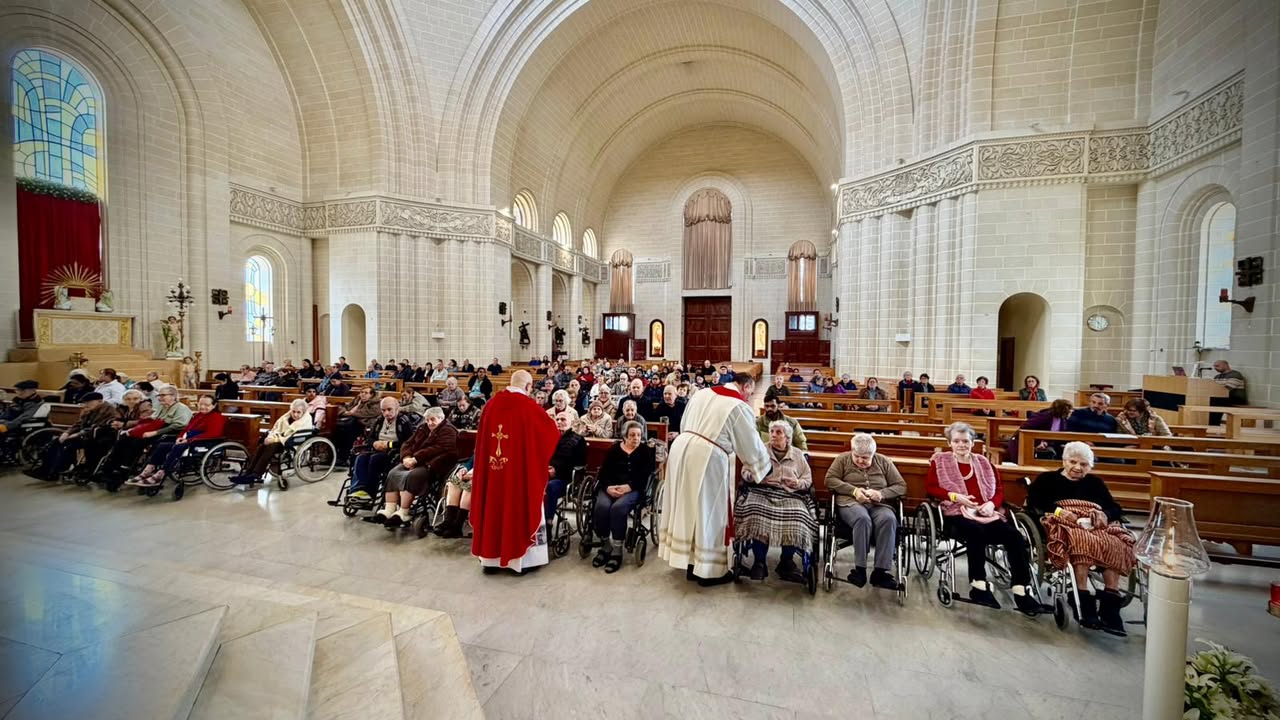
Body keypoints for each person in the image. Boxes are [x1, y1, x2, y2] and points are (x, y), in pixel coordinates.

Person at [659, 372, 771, 586]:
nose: (750, 396)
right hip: (707, 457)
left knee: (687, 507)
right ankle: (709, 571)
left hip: (682, 449)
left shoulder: (701, 393)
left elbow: (684, 423)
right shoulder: (737, 406)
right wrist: (763, 468)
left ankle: (692, 563)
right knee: (709, 512)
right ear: (745, 386)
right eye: (751, 391)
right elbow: (751, 445)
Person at [925, 422, 1040, 616]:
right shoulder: (941, 461)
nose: (961, 445)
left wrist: (991, 504)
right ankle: (978, 584)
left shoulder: (985, 463)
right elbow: (931, 488)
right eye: (956, 441)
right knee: (975, 532)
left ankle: (1021, 588)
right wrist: (955, 496)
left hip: (986, 512)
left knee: (1015, 536)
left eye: (966, 441)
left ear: (973, 442)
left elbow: (999, 491)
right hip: (957, 512)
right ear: (950, 443)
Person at [1027, 442, 1136, 636]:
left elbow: (1114, 507)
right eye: (1073, 462)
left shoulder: (1095, 483)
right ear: (1064, 461)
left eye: (1084, 464)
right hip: (1064, 521)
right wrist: (1060, 512)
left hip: (1095, 524)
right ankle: (1082, 598)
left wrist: (1105, 515)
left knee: (1116, 543)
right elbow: (1035, 503)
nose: (1078, 467)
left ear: (1090, 466)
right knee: (1080, 540)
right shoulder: (1047, 479)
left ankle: (1110, 605)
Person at [470, 370, 561, 573]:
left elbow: (482, 444)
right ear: (528, 387)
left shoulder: (491, 405)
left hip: (493, 473)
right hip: (519, 476)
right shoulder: (528, 407)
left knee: (492, 509)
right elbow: (551, 433)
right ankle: (520, 562)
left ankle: (489, 560)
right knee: (518, 510)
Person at [735, 420, 816, 583]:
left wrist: (798, 483)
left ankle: (786, 562)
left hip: (790, 494)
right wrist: (755, 477)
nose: (773, 435)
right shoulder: (760, 451)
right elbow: (745, 471)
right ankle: (759, 562)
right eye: (772, 431)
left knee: (798, 515)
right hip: (761, 491)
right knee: (755, 512)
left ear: (787, 437)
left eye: (778, 432)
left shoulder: (798, 455)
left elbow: (808, 479)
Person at [824, 433, 906, 589]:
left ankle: (880, 573)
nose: (861, 461)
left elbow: (901, 486)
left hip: (879, 505)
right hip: (850, 502)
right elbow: (830, 480)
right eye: (857, 457)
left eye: (865, 458)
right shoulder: (842, 459)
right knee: (862, 519)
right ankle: (860, 569)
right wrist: (854, 491)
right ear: (852, 451)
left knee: (889, 520)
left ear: (873, 455)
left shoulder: (884, 461)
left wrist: (881, 494)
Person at [588, 421, 657, 573]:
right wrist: (608, 487)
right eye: (632, 435)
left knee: (618, 509)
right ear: (624, 436)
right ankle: (606, 545)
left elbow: (646, 475)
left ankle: (617, 550)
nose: (636, 438)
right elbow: (604, 472)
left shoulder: (645, 451)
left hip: (633, 489)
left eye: (639, 435)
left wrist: (629, 487)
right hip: (610, 487)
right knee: (601, 507)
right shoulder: (614, 449)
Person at [372, 407, 459, 528]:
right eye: (427, 420)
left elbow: (439, 448)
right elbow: (408, 443)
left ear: (441, 418)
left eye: (432, 420)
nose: (429, 423)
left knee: (412, 476)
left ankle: (404, 511)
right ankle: (389, 509)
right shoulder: (422, 428)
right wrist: (406, 457)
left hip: (433, 464)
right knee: (393, 473)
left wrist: (416, 459)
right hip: (412, 461)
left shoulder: (448, 430)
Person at [127, 395, 225, 488]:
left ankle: (162, 473)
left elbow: (213, 434)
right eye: (200, 404)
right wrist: (180, 437)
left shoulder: (217, 417)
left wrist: (188, 440)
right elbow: (187, 429)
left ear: (214, 405)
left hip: (205, 442)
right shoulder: (198, 415)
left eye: (207, 405)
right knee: (163, 445)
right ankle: (149, 469)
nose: (203, 407)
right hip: (190, 440)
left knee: (178, 447)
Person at [26, 392, 117, 480]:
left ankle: (55, 470)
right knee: (55, 442)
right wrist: (67, 432)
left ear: (100, 401)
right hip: (85, 435)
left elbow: (101, 428)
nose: (86, 405)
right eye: (85, 403)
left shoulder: (109, 411)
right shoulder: (90, 410)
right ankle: (46, 469)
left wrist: (78, 434)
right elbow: (78, 424)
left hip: (98, 438)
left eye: (89, 402)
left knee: (68, 444)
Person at [348, 397, 418, 499]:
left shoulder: (404, 421)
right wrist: (375, 443)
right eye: (383, 410)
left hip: (394, 453)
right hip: (377, 449)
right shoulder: (379, 420)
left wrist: (389, 444)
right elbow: (369, 438)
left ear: (397, 408)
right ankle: (357, 490)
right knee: (361, 458)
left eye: (389, 409)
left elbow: (408, 442)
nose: (386, 413)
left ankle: (369, 492)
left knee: (375, 459)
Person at [231, 399, 313, 485]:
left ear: (303, 412)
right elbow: (275, 429)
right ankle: (248, 472)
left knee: (271, 447)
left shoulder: (306, 420)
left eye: (298, 412)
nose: (295, 414)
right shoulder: (286, 417)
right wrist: (270, 437)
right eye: (293, 411)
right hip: (280, 439)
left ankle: (256, 474)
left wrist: (274, 440)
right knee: (262, 446)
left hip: (293, 442)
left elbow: (293, 435)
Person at [544, 411, 586, 527]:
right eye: (557, 419)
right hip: (544, 473)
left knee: (551, 486)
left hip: (566, 478)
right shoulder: (548, 436)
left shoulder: (578, 440)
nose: (559, 422)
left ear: (571, 422)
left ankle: (548, 522)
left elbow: (577, 463)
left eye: (563, 420)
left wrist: (556, 470)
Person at [1006, 399, 1074, 461]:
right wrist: (1039, 442)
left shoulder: (1062, 419)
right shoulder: (1044, 416)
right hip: (1023, 443)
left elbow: (1059, 434)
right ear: (1063, 410)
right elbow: (1024, 429)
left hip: (1047, 445)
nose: (1071, 412)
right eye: (1070, 410)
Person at [435, 456, 475, 538]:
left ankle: (457, 526)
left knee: (468, 487)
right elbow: (471, 461)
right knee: (453, 482)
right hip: (469, 474)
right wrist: (464, 469)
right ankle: (448, 521)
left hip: (482, 478)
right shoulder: (479, 449)